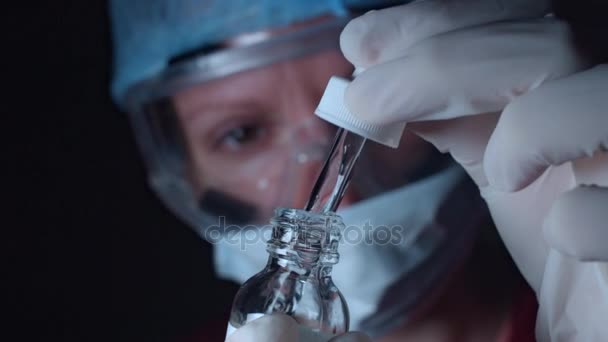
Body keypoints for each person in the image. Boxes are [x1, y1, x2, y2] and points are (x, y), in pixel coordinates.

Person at [109, 0, 606, 341]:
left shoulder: (587, 299)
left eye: (350, 99)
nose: (340, 205)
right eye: (241, 133)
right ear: (185, 170)